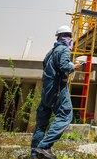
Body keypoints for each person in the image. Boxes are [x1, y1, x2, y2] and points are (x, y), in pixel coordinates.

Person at [31, 25, 82, 159]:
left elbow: (46, 66)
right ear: (69, 37)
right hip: (58, 88)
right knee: (65, 114)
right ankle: (44, 146)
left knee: (41, 123)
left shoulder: (50, 52)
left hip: (46, 90)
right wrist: (74, 66)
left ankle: (35, 154)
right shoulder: (64, 49)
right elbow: (64, 66)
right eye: (70, 37)